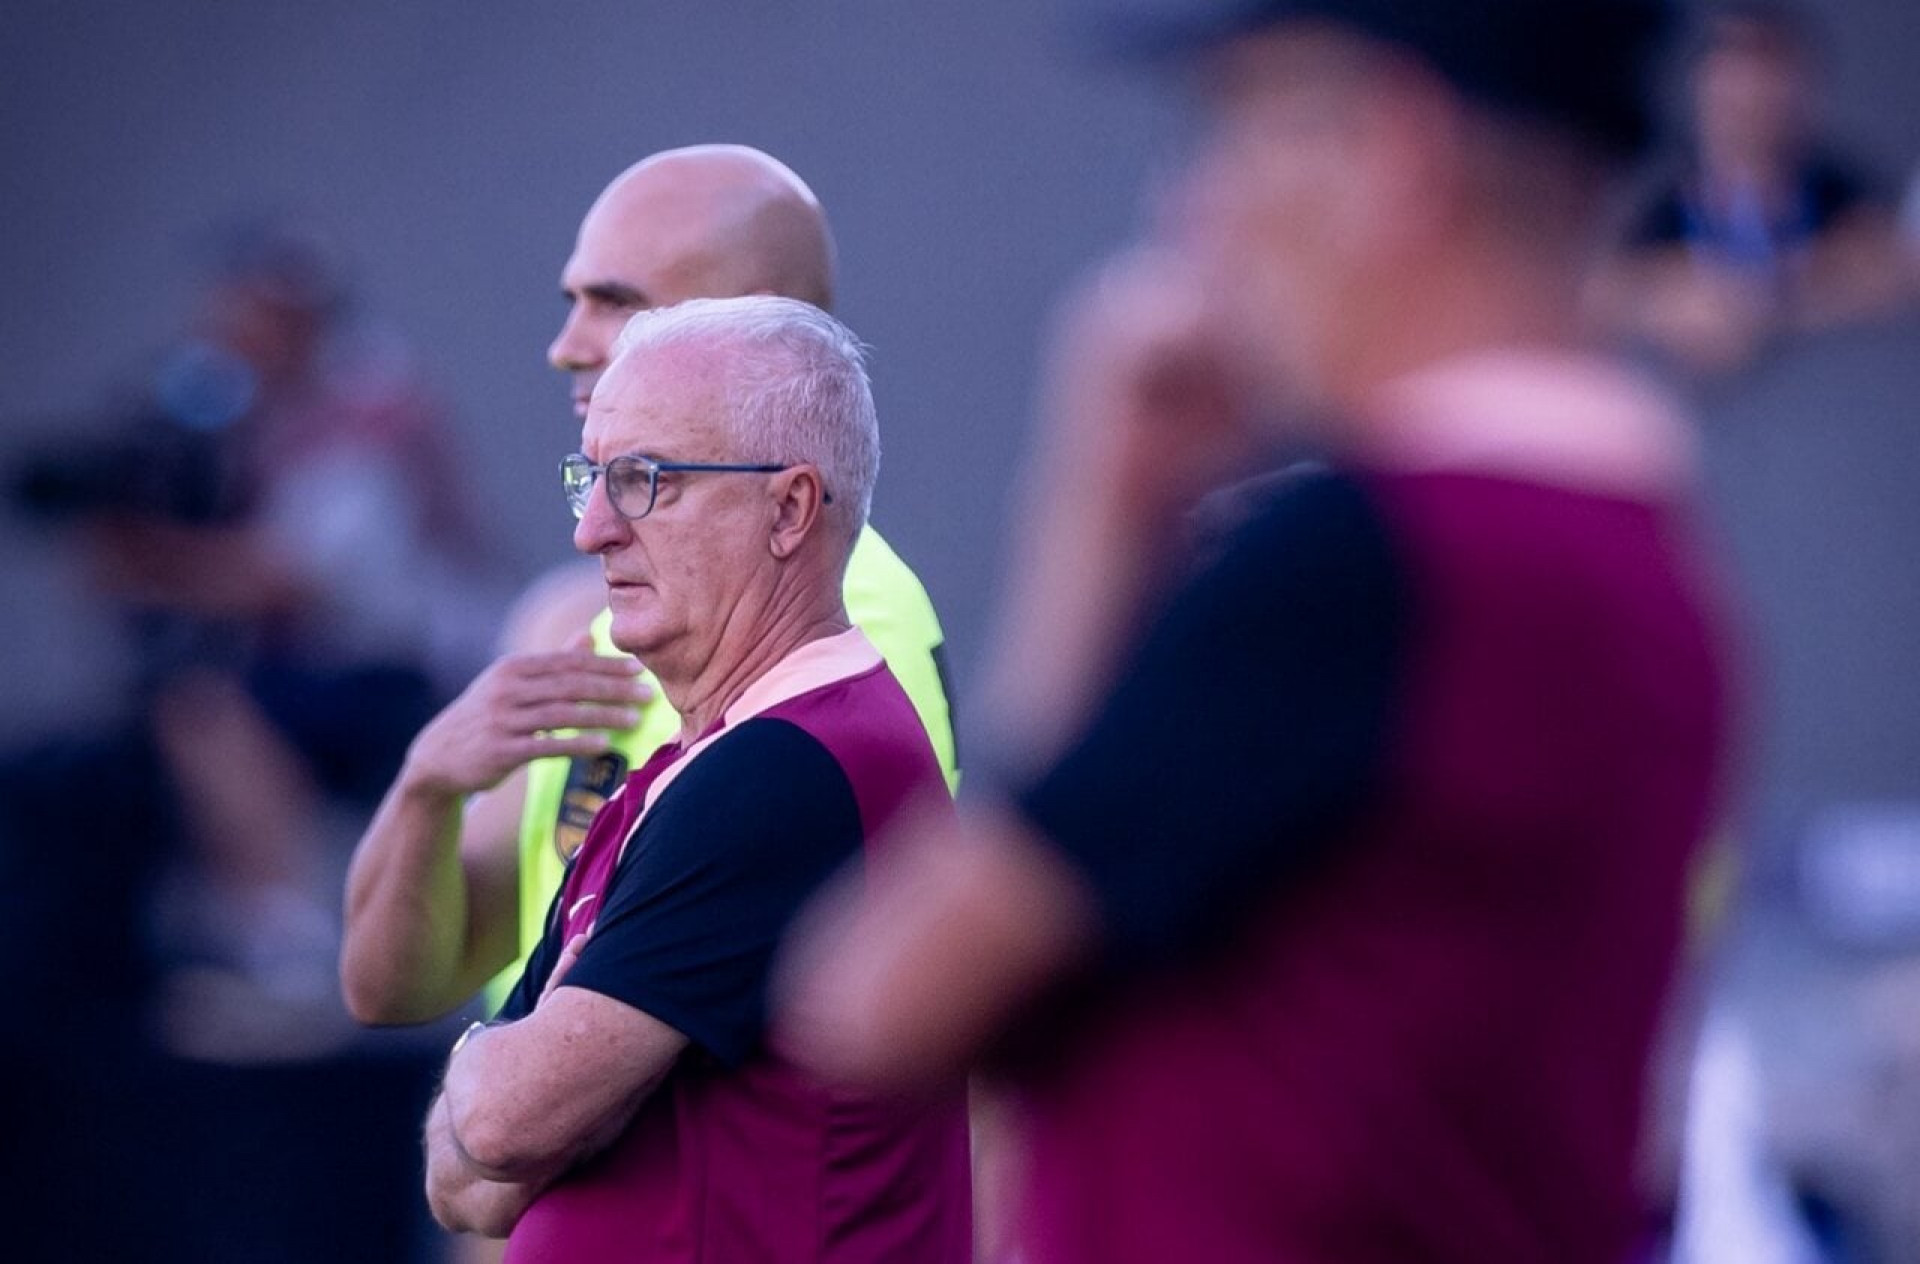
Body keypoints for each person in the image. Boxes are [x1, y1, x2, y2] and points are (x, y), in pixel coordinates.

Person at [777, 3, 1737, 1263]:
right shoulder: (1650, 568)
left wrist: (1093, 522)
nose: (1193, 209)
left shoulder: (1361, 562)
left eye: (1237, 128)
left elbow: (871, 1001)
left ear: (1394, 155)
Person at [340, 145, 956, 1028]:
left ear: (753, 321)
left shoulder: (851, 624)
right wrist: (427, 786)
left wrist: (512, 1096)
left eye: (616, 302)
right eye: (572, 302)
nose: (566, 347)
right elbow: (394, 988)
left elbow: (887, 1006)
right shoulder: (601, 619)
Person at [423, 297, 971, 1260]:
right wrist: (513, 1082)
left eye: (644, 481)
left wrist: (490, 1069)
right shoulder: (699, 765)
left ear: (788, 510)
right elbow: (463, 1191)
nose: (594, 530)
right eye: (591, 479)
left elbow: (503, 1127)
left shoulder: (787, 768)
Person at [1591, 1, 1914, 375]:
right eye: (1734, 73)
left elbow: (1889, 273)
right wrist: (1655, 299)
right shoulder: (1650, 203)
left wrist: (1770, 304)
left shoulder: (1851, 200)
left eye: (1770, 72)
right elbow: (1599, 290)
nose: (1751, 94)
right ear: (1700, 85)